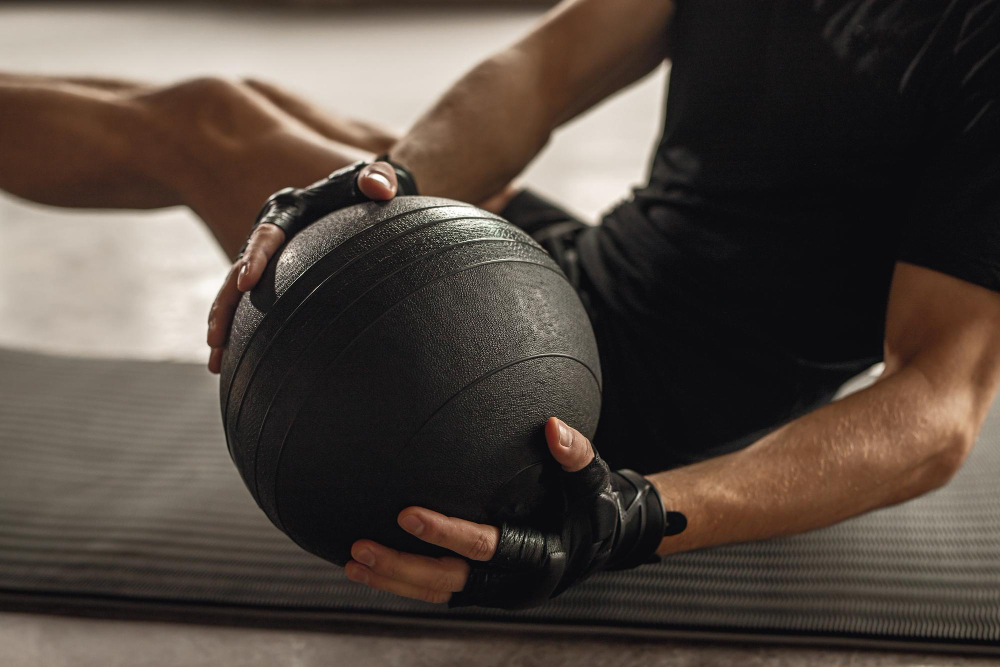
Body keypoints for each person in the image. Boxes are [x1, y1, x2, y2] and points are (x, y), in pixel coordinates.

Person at [2, 0, 999, 608]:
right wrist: (382, 185)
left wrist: (638, 516)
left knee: (207, 123)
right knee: (278, 112)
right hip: (579, 278)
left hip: (576, 402)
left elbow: (939, 400)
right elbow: (545, 67)